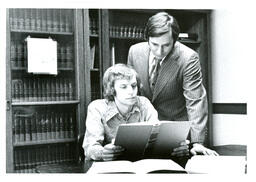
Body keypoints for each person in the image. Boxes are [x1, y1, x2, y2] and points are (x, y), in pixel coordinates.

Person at [127, 12, 218, 156]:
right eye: (154, 44)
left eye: (166, 45)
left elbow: (196, 102)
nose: (159, 51)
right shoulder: (134, 51)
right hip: (143, 130)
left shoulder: (188, 58)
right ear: (147, 38)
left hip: (176, 133)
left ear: (175, 41)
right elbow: (132, 94)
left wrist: (197, 143)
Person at [83, 64, 190, 161]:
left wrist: (177, 148)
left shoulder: (144, 104)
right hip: (111, 168)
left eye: (134, 86)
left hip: (141, 164)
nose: (131, 91)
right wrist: (103, 153)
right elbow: (90, 147)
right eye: (123, 87)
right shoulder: (97, 107)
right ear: (112, 90)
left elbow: (158, 139)